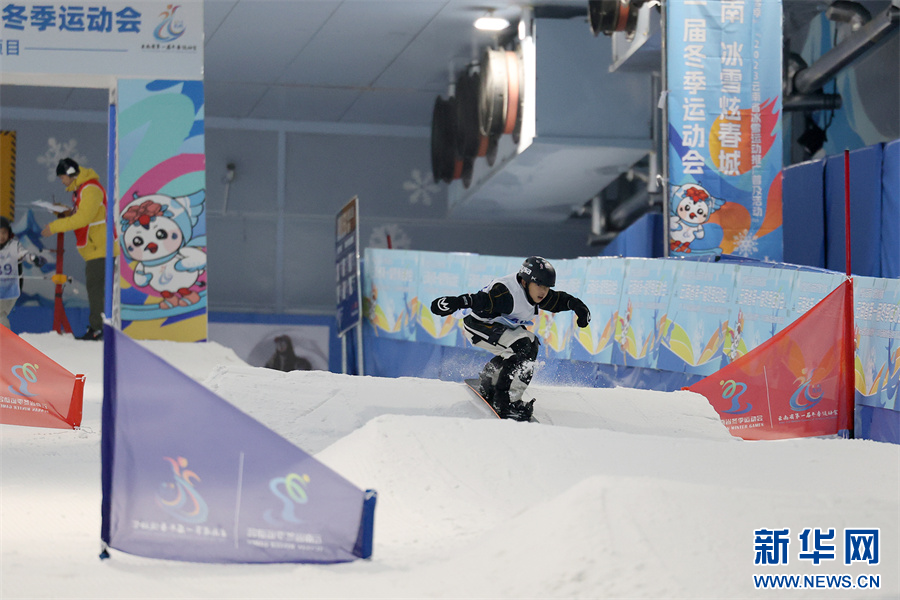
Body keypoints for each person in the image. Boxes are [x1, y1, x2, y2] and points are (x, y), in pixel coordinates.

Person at [430, 256, 591, 421]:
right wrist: (456, 302)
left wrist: (578, 307)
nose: (543, 291)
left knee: (531, 344)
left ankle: (490, 379)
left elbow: (559, 300)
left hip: (499, 325)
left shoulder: (534, 292)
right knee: (521, 346)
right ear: (524, 282)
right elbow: (481, 300)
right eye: (540, 285)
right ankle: (505, 402)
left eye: (547, 287)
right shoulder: (506, 293)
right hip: (479, 326)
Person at [41, 158, 109, 341]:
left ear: (71, 174)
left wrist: (55, 226)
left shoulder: (90, 189)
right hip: (95, 247)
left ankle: (98, 329)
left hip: (100, 247)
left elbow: (83, 219)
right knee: (94, 288)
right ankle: (98, 327)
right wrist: (67, 211)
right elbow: (83, 213)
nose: (62, 181)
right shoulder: (83, 189)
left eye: (62, 177)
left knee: (95, 289)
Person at [0, 216, 45, 329]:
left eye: (4, 232)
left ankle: (4, 336)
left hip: (8, 290)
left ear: (9, 233)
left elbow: (24, 254)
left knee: (0, 314)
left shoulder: (13, 247)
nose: (1, 236)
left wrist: (34, 259)